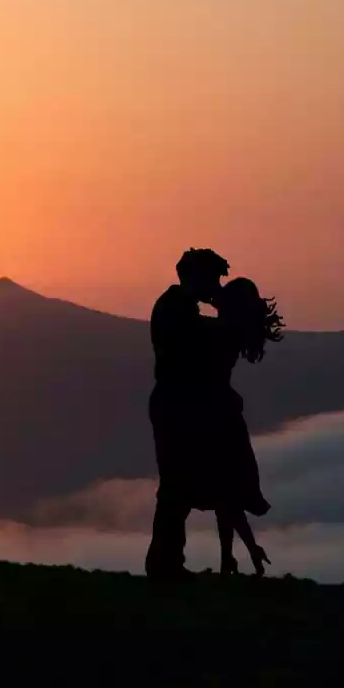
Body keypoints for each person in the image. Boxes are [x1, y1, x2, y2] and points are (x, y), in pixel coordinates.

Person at [144, 248, 229, 580]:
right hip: (175, 404)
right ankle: (165, 564)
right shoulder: (176, 309)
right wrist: (228, 320)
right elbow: (197, 342)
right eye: (212, 279)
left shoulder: (177, 307)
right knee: (175, 485)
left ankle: (167, 562)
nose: (215, 286)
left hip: (177, 403)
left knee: (177, 485)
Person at [198, 277, 284, 576]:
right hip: (225, 414)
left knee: (223, 489)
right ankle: (237, 555)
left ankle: (232, 557)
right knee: (228, 490)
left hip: (214, 415)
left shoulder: (219, 331)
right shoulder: (233, 330)